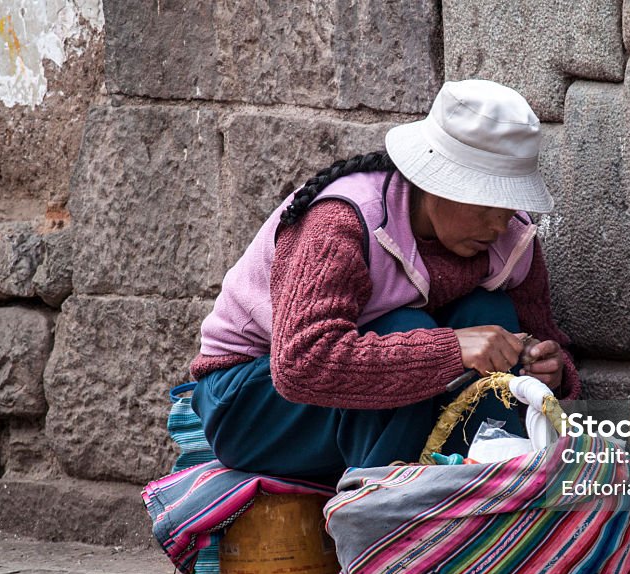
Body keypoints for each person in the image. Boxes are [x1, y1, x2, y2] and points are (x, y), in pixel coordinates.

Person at [188, 79, 581, 484]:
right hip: (251, 402)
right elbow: (300, 365)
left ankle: (493, 487)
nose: (499, 223)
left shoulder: (511, 240)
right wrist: (449, 350)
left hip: (367, 405)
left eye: (509, 204)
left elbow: (546, 338)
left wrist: (549, 369)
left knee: (493, 317)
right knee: (409, 330)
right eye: (485, 204)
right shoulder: (343, 221)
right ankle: (382, 510)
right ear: (434, 182)